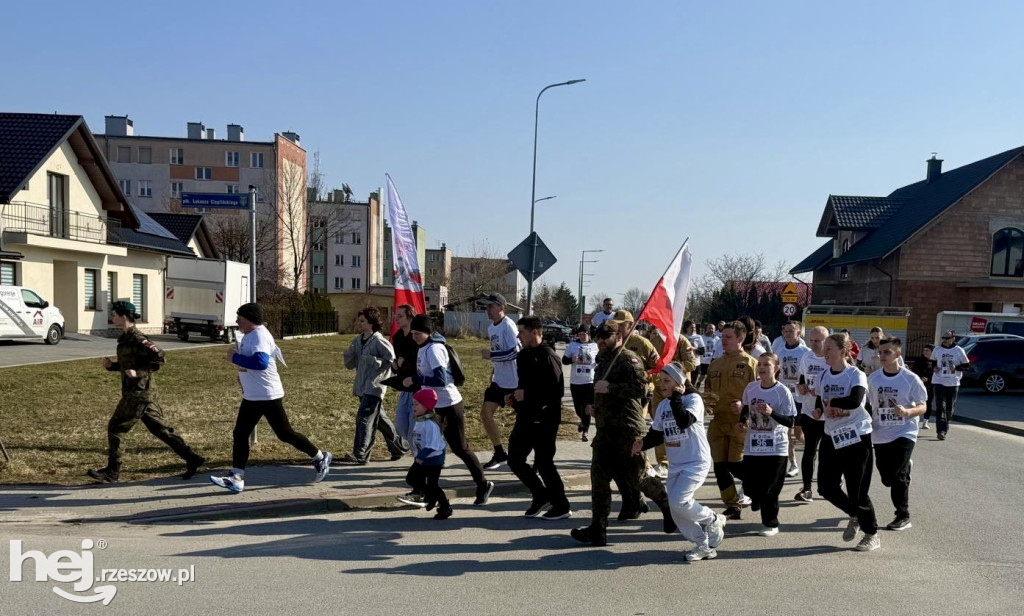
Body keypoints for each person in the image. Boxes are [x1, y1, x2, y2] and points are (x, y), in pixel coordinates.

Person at [570, 321, 674, 547]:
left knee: (638, 478)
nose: (600, 341)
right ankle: (598, 529)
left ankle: (669, 508)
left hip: (627, 429)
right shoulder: (603, 359)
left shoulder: (628, 359)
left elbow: (643, 388)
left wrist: (611, 388)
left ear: (619, 336)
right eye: (598, 336)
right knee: (598, 479)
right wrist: (595, 407)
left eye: (605, 336)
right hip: (606, 430)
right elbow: (600, 389)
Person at [211, 303, 331, 493]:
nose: (236, 321)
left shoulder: (260, 335)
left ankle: (319, 456)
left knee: (285, 434)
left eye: (239, 318)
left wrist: (233, 358)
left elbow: (260, 362)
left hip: (267, 395)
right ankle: (236, 477)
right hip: (253, 395)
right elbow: (253, 363)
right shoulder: (250, 335)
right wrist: (242, 373)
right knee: (240, 434)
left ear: (249, 319)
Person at [88, 301, 204, 483]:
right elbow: (129, 365)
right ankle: (193, 458)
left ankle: (112, 472)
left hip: (138, 393)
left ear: (123, 316)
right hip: (141, 393)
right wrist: (112, 366)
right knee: (161, 430)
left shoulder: (138, 338)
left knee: (116, 428)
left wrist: (139, 372)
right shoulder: (125, 338)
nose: (112, 317)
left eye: (114, 314)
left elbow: (159, 357)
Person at [632, 362, 727, 561]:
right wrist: (641, 444)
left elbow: (684, 421)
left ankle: (713, 519)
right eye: (660, 381)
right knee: (674, 508)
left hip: (695, 461)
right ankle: (702, 545)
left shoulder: (693, 399)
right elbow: (657, 435)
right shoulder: (664, 405)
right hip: (676, 464)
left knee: (679, 501)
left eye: (666, 381)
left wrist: (677, 396)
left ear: (679, 382)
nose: (661, 385)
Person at [403, 315, 494, 505]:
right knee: (428, 445)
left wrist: (415, 380)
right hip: (434, 406)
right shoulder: (424, 347)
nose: (415, 337)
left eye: (418, 333)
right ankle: (421, 490)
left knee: (460, 448)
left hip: (450, 405)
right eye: (412, 333)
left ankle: (483, 483)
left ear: (428, 332)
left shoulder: (435, 349)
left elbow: (441, 380)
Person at [813, 333, 879, 552]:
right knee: (825, 486)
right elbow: (820, 400)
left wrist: (833, 403)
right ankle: (854, 514)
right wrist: (818, 409)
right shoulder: (823, 375)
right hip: (832, 435)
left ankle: (871, 533)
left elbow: (855, 400)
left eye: (829, 348)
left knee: (857, 490)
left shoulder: (855, 375)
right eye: (824, 348)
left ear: (843, 352)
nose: (824, 352)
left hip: (856, 436)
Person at [508, 316, 572, 519]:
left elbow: (556, 391)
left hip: (546, 417)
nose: (519, 336)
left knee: (544, 462)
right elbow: (524, 384)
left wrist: (527, 395)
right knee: (515, 459)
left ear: (535, 332)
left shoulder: (548, 355)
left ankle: (561, 505)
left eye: (522, 332)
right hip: (525, 416)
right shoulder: (523, 355)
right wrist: (514, 398)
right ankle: (540, 494)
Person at [868, 337, 927, 532]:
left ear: (898, 354)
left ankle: (903, 515)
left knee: (897, 475)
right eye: (880, 352)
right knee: (886, 478)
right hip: (880, 433)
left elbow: (923, 406)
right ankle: (905, 466)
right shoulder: (874, 379)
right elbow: (869, 405)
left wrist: (907, 412)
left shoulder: (910, 379)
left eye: (887, 352)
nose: (882, 356)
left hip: (905, 431)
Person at [340, 307, 407, 465]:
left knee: (363, 419)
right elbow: (351, 364)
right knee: (380, 420)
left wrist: (373, 360)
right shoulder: (357, 340)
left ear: (372, 323)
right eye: (359, 320)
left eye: (363, 321)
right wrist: (348, 354)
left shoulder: (379, 341)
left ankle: (361, 453)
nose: (360, 323)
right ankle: (398, 448)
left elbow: (390, 362)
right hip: (362, 386)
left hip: (375, 386)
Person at [705, 320, 757, 519]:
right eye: (722, 336)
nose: (723, 340)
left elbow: (759, 394)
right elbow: (708, 391)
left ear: (741, 339)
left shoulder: (750, 364)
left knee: (735, 464)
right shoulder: (715, 364)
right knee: (719, 466)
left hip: (739, 423)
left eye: (728, 337)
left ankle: (759, 489)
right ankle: (732, 505)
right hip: (718, 422)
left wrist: (745, 408)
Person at [741, 353, 798, 536]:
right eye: (760, 364)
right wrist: (742, 420)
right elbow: (745, 409)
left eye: (767, 364)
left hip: (776, 447)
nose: (762, 368)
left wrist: (771, 412)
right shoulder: (751, 388)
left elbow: (790, 421)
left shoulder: (782, 391)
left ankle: (770, 524)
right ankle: (756, 498)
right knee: (749, 486)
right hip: (754, 445)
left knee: (771, 488)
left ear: (776, 369)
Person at [478, 293, 521, 470]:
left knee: (525, 421)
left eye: (491, 306)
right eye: (486, 307)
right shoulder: (491, 328)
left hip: (515, 382)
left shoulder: (508, 326)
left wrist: (492, 355)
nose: (487, 310)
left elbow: (515, 352)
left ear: (502, 308)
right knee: (485, 414)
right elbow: (500, 352)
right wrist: (494, 370)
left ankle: (529, 457)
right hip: (499, 381)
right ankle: (499, 453)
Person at [400, 389, 452, 520]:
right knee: (411, 479)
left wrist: (420, 456)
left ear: (427, 406)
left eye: (417, 404)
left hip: (434, 460)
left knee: (432, 485)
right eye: (413, 404)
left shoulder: (430, 425)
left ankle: (445, 508)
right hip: (422, 458)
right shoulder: (420, 420)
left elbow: (432, 445)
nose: (414, 407)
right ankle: (429, 496)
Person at [794, 326, 830, 502]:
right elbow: (802, 375)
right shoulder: (806, 356)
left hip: (829, 415)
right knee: (809, 451)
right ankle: (807, 488)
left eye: (818, 341)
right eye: (812, 340)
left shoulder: (832, 358)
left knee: (828, 453)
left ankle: (831, 482)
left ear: (827, 340)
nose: (814, 344)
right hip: (809, 411)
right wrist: (801, 386)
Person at [774, 320, 810, 478]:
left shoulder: (805, 352)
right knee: (786, 432)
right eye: (786, 331)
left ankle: (813, 450)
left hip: (801, 398)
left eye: (791, 331)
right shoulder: (780, 351)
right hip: (785, 397)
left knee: (799, 433)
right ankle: (793, 463)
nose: (788, 334)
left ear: (799, 333)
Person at [931, 330, 970, 441]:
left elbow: (967, 366)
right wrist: (934, 367)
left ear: (953, 338)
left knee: (949, 407)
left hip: (953, 382)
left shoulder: (959, 350)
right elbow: (933, 362)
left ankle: (946, 423)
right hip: (938, 381)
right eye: (943, 337)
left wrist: (956, 368)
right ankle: (940, 431)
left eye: (947, 338)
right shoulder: (937, 349)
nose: (944, 340)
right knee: (939, 406)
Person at [563, 324, 598, 441]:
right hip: (575, 382)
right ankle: (582, 422)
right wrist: (571, 360)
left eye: (584, 334)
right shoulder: (573, 345)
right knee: (578, 408)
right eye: (580, 334)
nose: (582, 336)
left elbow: (600, 361)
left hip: (589, 381)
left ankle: (585, 432)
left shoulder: (595, 346)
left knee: (588, 407)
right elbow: (564, 360)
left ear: (589, 334)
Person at [912, 344, 935, 430]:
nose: (925, 352)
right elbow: (914, 372)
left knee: (928, 403)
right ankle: (915, 420)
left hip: (931, 385)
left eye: (927, 350)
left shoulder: (935, 361)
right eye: (924, 350)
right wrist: (921, 377)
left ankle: (925, 422)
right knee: (917, 402)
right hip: (919, 384)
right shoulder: (919, 360)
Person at [698, 323, 717, 389]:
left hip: (713, 360)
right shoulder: (702, 337)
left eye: (712, 328)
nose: (711, 330)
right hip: (704, 360)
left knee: (711, 375)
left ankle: (708, 387)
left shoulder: (717, 339)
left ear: (714, 330)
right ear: (706, 329)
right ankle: (698, 384)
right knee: (702, 374)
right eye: (709, 328)